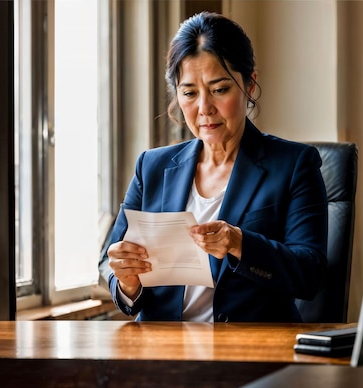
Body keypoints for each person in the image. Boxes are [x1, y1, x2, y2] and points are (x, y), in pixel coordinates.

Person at [98, 11, 328, 322]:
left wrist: (240, 244)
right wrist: (126, 280)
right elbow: (110, 260)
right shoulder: (151, 166)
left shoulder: (293, 164)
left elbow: (309, 274)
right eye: (190, 93)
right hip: (161, 353)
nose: (204, 109)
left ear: (249, 85)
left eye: (220, 89)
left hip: (249, 352)